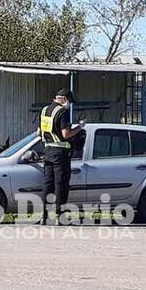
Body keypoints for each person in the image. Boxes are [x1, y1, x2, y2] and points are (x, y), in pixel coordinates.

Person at [39, 89, 86, 224]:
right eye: (69, 101)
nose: (69, 105)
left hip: (47, 151)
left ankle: (44, 216)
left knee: (48, 185)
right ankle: (60, 216)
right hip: (60, 153)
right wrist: (80, 127)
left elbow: (39, 132)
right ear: (64, 99)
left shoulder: (44, 110)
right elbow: (66, 134)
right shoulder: (62, 112)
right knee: (61, 185)